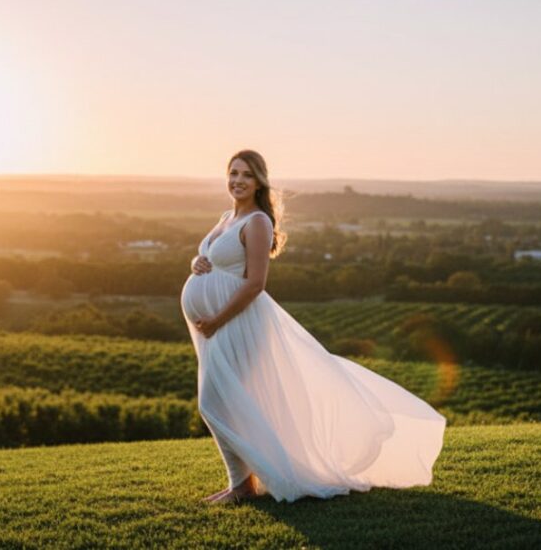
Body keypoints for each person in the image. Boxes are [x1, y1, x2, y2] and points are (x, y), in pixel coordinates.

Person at [180, 149, 446, 505]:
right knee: (229, 401)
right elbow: (213, 257)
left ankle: (242, 486)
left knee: (214, 402)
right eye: (233, 173)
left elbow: (255, 283)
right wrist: (197, 261)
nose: (238, 181)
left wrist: (216, 319)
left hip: (237, 323)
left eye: (246, 175)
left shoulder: (257, 222)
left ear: (260, 182)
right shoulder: (226, 217)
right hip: (214, 327)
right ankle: (242, 484)